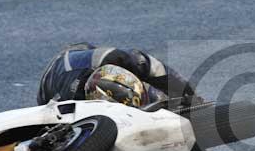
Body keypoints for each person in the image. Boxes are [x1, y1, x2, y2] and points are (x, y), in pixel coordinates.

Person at [37, 42, 198, 108]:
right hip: (53, 92)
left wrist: (190, 96)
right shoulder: (69, 98)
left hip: (82, 55)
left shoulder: (120, 58)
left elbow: (159, 70)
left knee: (154, 96)